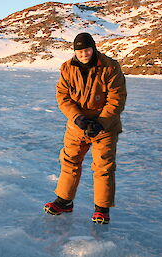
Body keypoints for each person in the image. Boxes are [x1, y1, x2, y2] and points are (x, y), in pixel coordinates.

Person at [44, 32, 127, 224]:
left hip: (105, 127)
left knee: (103, 166)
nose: (84, 54)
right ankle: (65, 201)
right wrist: (78, 118)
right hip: (77, 125)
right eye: (79, 51)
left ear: (93, 48)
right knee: (70, 161)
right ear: (75, 51)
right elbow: (62, 97)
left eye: (87, 50)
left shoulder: (110, 67)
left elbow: (117, 99)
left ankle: (102, 208)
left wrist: (100, 123)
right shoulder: (67, 68)